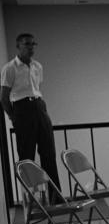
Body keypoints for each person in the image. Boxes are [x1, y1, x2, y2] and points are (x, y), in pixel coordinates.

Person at [1, 33, 63, 194]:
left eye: (33, 44)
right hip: (22, 109)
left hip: (39, 106)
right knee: (27, 155)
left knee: (48, 152)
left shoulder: (38, 66)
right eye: (27, 44)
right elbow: (3, 97)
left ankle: (55, 196)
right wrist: (13, 117)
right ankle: (31, 198)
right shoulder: (9, 68)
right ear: (18, 46)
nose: (31, 47)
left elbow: (37, 89)